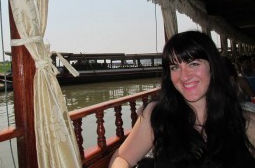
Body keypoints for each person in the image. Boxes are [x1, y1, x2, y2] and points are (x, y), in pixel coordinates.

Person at [109, 31, 255, 168]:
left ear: (213, 67)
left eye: (193, 64)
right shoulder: (157, 116)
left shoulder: (245, 122)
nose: (184, 76)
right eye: (174, 67)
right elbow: (122, 158)